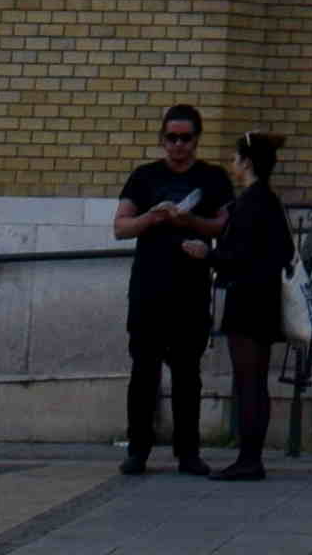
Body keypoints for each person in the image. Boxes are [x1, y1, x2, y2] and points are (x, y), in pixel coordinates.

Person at [111, 102, 231, 476]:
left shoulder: (212, 178)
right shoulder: (145, 177)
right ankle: (138, 449)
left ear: (197, 140)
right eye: (171, 138)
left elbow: (223, 226)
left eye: (186, 138)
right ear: (162, 139)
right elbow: (120, 227)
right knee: (143, 371)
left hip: (190, 290)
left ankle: (188, 451)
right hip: (148, 287)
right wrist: (153, 217)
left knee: (186, 372)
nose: (178, 146)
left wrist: (190, 219)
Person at [214, 131, 297, 483]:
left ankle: (249, 458)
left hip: (248, 301)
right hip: (262, 300)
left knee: (248, 381)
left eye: (236, 158)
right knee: (255, 381)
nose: (232, 165)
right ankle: (251, 456)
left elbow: (240, 255)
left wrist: (209, 255)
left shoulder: (252, 202)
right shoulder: (267, 200)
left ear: (246, 162)